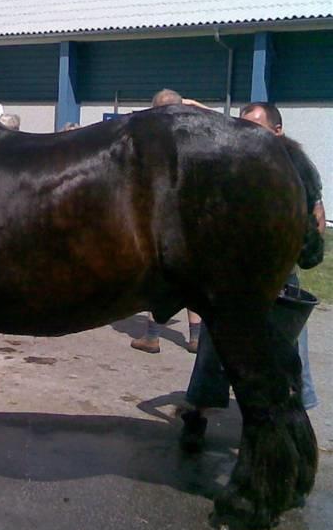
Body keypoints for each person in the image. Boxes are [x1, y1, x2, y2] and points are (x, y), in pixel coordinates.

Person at [180, 101, 325, 447]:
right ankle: (197, 412)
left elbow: (315, 223)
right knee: (214, 349)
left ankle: (295, 423)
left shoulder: (296, 168)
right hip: (233, 278)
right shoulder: (236, 169)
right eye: (242, 129)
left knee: (289, 350)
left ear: (277, 131)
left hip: (277, 278)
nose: (247, 138)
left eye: (255, 129)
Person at [131, 88, 202, 354]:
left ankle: (152, 337)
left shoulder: (151, 139)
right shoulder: (194, 135)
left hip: (162, 218)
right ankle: (195, 337)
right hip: (193, 217)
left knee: (161, 277)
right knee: (191, 278)